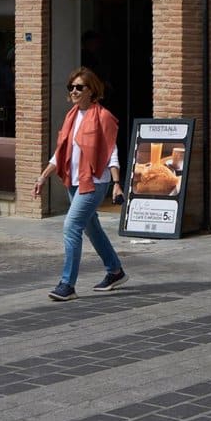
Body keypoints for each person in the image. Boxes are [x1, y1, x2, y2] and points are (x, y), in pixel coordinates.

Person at [32, 67, 127, 301]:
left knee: (71, 226)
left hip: (95, 181)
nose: (74, 91)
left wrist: (117, 183)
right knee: (90, 227)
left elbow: (111, 151)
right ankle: (115, 271)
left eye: (79, 87)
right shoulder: (71, 116)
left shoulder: (102, 116)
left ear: (91, 90)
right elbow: (60, 152)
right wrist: (43, 176)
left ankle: (67, 284)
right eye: (71, 87)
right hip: (74, 181)